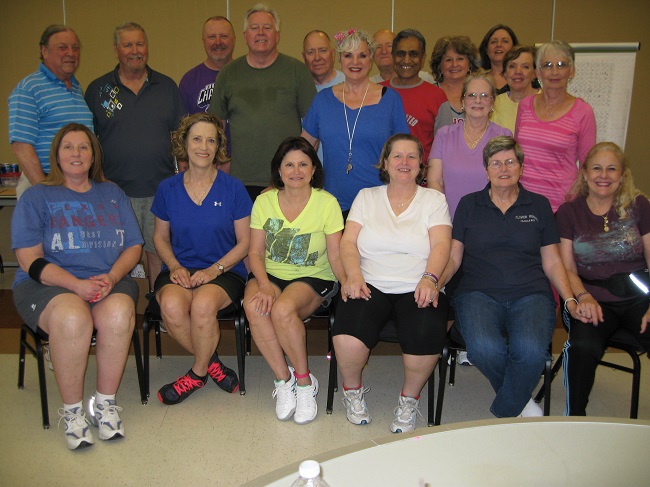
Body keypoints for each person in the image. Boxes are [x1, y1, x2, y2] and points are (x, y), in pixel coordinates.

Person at [11, 123, 143, 450]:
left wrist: (112, 277)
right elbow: (31, 261)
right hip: (48, 284)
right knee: (73, 319)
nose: (76, 154)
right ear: (56, 154)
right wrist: (76, 285)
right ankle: (72, 413)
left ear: (93, 154)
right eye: (68, 147)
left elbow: (133, 247)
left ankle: (104, 404)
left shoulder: (112, 194)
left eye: (84, 147)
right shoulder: (37, 196)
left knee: (118, 314)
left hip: (105, 279)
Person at [440, 135, 589, 418]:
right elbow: (454, 256)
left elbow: (553, 261)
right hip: (477, 293)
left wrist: (569, 299)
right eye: (496, 163)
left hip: (530, 293)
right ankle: (522, 402)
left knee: (532, 352)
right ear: (486, 170)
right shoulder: (468, 204)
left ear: (521, 167)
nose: (503, 169)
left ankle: (509, 406)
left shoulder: (539, 205)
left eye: (510, 162)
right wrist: (436, 281)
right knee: (483, 350)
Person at [332, 133, 451, 433]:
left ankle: (409, 399)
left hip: (418, 283)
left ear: (421, 165)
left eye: (412, 156)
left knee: (424, 336)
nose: (404, 162)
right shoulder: (366, 197)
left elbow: (441, 247)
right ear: (385, 162)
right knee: (347, 338)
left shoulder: (434, 200)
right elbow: (348, 243)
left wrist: (430, 278)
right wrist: (353, 274)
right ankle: (352, 391)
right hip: (369, 281)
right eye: (397, 156)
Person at [152, 113, 252, 405]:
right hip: (180, 268)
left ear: (219, 146)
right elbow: (160, 237)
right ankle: (213, 364)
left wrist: (214, 270)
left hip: (225, 269)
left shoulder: (233, 188)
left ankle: (196, 374)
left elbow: (245, 242)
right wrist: (174, 266)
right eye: (197, 138)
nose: (204, 146)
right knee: (170, 305)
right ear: (184, 142)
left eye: (212, 140)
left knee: (203, 306)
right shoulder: (167, 188)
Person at [244, 136, 345, 425]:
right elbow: (254, 252)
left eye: (303, 164)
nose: (296, 171)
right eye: (289, 164)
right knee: (254, 306)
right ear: (279, 170)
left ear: (314, 170)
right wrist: (263, 284)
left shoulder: (327, 203)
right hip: (271, 274)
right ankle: (283, 380)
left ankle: (304, 383)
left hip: (314, 276)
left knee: (282, 310)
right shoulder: (264, 202)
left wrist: (347, 282)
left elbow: (336, 257)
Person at [86, 22, 184, 290]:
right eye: (127, 45)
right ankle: (125, 310)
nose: (135, 50)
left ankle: (158, 304)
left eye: (140, 44)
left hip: (160, 189)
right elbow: (89, 144)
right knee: (119, 255)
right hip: (114, 192)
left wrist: (184, 181)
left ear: (147, 47)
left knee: (158, 252)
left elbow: (180, 140)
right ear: (116, 49)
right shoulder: (98, 90)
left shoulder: (166, 86)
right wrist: (101, 182)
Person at [556, 142, 650, 416]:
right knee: (583, 347)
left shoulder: (640, 206)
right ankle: (576, 416)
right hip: (591, 298)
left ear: (622, 175)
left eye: (612, 169)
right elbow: (567, 267)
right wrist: (582, 297)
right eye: (596, 168)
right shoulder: (568, 212)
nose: (604, 175)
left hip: (639, 299)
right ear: (584, 173)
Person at [208, 3, 316, 201]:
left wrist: (294, 170)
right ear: (245, 36)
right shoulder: (228, 74)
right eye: (254, 28)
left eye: (267, 28)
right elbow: (215, 128)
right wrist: (220, 160)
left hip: (288, 181)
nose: (261, 33)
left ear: (277, 35)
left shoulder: (296, 71)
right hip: (240, 181)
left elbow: (313, 128)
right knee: (244, 233)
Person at [301, 29, 409, 216]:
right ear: (340, 59)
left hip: (380, 203)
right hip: (333, 204)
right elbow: (303, 149)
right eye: (348, 55)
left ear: (371, 58)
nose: (355, 62)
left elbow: (405, 153)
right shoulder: (322, 101)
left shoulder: (391, 100)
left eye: (362, 55)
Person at [9, 25, 93, 198]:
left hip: (77, 182)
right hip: (44, 183)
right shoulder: (29, 88)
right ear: (44, 51)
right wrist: (46, 191)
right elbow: (21, 146)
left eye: (75, 48)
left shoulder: (76, 88)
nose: (71, 53)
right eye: (62, 47)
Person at [515, 40, 597, 212]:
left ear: (572, 71)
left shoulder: (583, 112)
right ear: (537, 72)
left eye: (561, 65)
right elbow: (517, 154)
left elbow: (587, 166)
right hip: (522, 201)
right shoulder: (525, 105)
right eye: (547, 65)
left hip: (560, 206)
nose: (554, 72)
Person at [427, 73, 511, 217]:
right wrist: (442, 219)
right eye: (471, 95)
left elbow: (507, 184)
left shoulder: (503, 136)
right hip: (449, 221)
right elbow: (435, 181)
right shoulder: (444, 135)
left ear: (492, 102)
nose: (477, 100)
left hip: (491, 222)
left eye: (484, 95)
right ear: (463, 101)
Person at [379, 29, 447, 169]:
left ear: (423, 59)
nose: (407, 60)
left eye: (414, 54)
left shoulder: (437, 96)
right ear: (393, 56)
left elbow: (446, 148)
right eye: (401, 54)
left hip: (422, 183)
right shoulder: (376, 92)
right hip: (382, 180)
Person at [302, 30, 345, 164]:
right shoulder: (297, 89)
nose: (317, 57)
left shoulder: (349, 83)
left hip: (342, 171)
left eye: (322, 50)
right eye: (311, 52)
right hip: (308, 174)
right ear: (303, 57)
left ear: (332, 54)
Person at [179, 16, 236, 114]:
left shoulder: (247, 76)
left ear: (234, 39)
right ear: (203, 41)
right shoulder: (189, 81)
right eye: (212, 37)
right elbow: (183, 125)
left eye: (224, 36)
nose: (218, 42)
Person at [429, 35, 480, 133]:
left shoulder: (481, 94)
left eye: (460, 59)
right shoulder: (429, 95)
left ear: (470, 64)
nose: (454, 64)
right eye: (448, 60)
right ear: (439, 66)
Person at [491, 45, 539, 133]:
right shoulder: (493, 104)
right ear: (505, 73)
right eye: (512, 66)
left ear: (535, 74)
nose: (518, 71)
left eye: (525, 67)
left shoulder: (546, 102)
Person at [370, 29, 434, 84]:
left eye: (389, 46)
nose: (384, 51)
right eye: (378, 47)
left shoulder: (426, 79)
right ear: (372, 54)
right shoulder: (369, 85)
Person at [478, 25, 519, 94]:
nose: (499, 45)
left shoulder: (521, 79)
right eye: (494, 42)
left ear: (514, 48)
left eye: (505, 41)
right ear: (486, 49)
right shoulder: (478, 81)